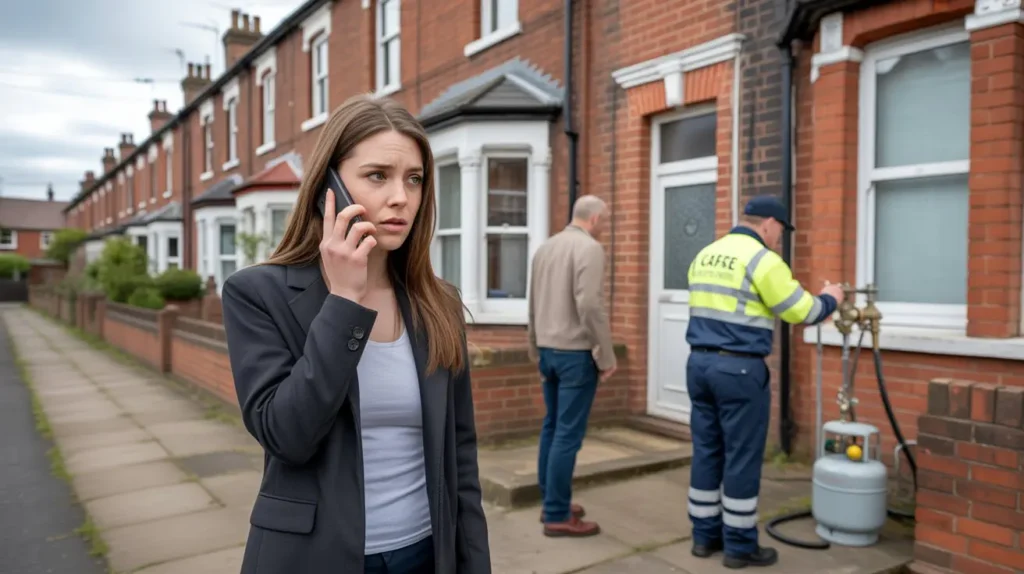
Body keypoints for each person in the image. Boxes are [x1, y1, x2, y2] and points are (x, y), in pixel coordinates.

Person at [220, 94, 491, 574]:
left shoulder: (438, 303)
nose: (400, 198)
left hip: (426, 553)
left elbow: (460, 458)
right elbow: (287, 436)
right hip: (313, 558)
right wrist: (345, 301)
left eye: (414, 179)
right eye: (377, 176)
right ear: (330, 188)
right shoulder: (257, 293)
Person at [684, 195, 844, 569]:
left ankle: (704, 538)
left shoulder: (706, 253)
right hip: (739, 370)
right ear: (770, 223)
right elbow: (801, 311)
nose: (779, 240)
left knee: (707, 450)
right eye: (780, 233)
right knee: (741, 456)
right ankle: (739, 547)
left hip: (699, 365)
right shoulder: (762, 260)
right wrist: (831, 298)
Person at [527, 194, 616, 538]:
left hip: (548, 351)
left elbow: (532, 304)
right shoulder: (590, 249)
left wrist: (535, 351)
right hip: (576, 355)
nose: (604, 229)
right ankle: (556, 513)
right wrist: (606, 357)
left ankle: (552, 499)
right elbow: (590, 305)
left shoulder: (545, 248)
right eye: (604, 222)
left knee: (552, 428)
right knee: (567, 434)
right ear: (594, 220)